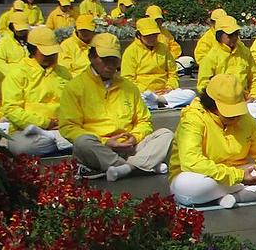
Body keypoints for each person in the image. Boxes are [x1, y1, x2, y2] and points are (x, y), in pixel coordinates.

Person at [59, 33, 173, 181]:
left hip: (131, 146)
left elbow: (144, 121)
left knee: (166, 134)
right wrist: (105, 141)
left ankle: (126, 169)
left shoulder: (129, 87)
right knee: (82, 142)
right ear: (91, 57)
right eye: (105, 59)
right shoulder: (75, 87)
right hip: (100, 147)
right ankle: (140, 166)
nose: (110, 64)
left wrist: (134, 137)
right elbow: (68, 127)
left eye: (114, 59)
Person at [169, 74, 256, 208]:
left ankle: (232, 198)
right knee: (188, 186)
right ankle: (235, 194)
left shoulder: (245, 118)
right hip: (203, 177)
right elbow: (191, 160)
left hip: (239, 175)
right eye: (229, 112)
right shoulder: (193, 118)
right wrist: (238, 176)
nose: (235, 117)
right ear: (212, 105)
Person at [2, 27, 73, 156]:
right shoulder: (18, 73)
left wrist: (65, 122)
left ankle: (58, 140)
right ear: (33, 50)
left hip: (62, 127)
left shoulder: (63, 72)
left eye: (53, 53)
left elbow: (74, 102)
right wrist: (45, 123)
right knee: (23, 148)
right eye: (45, 53)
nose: (50, 57)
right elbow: (11, 109)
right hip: (25, 131)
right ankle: (61, 143)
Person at [197, 16, 256, 120]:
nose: (234, 37)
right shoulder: (211, 57)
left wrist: (253, 96)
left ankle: (235, 115)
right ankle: (233, 114)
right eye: (230, 35)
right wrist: (223, 102)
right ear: (219, 35)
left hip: (245, 101)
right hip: (223, 104)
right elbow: (203, 86)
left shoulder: (244, 52)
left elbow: (255, 78)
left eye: (236, 34)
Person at [122, 18, 198, 109]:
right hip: (144, 92)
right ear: (139, 35)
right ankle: (159, 102)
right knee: (132, 99)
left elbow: (173, 73)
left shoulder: (163, 48)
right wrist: (147, 91)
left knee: (191, 94)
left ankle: (158, 101)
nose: (152, 38)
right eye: (148, 35)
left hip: (165, 92)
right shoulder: (131, 51)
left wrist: (169, 87)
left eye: (154, 35)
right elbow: (127, 79)